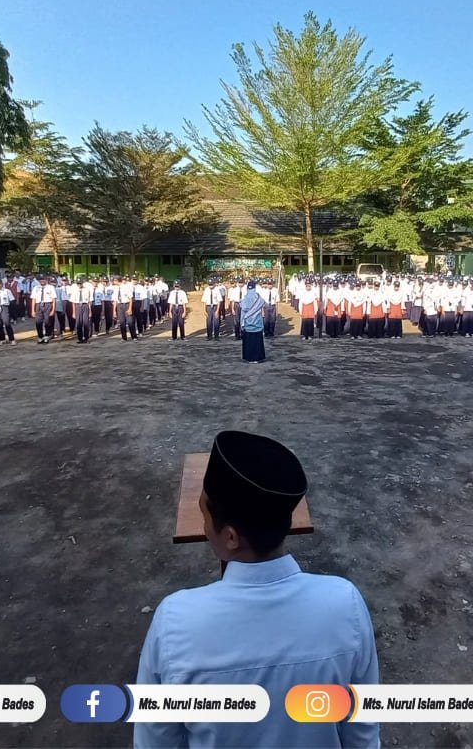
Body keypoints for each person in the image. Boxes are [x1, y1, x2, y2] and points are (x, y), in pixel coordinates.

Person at [135, 431, 379, 749]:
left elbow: (155, 743)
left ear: (231, 537)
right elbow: (362, 734)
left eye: (204, 513)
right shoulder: (345, 604)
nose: (204, 524)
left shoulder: (175, 622)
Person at [239, 280, 267, 363]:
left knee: (249, 342)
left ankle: (249, 358)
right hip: (257, 324)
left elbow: (242, 312)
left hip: (247, 324)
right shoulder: (259, 299)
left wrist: (242, 324)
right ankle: (257, 358)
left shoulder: (244, 299)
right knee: (257, 342)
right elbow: (263, 306)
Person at [0, 277, 16, 344]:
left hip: (5, 306)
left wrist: (10, 311)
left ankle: (12, 339)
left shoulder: (7, 291)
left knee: (7, 323)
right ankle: (2, 339)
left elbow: (12, 300)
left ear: (2, 284)